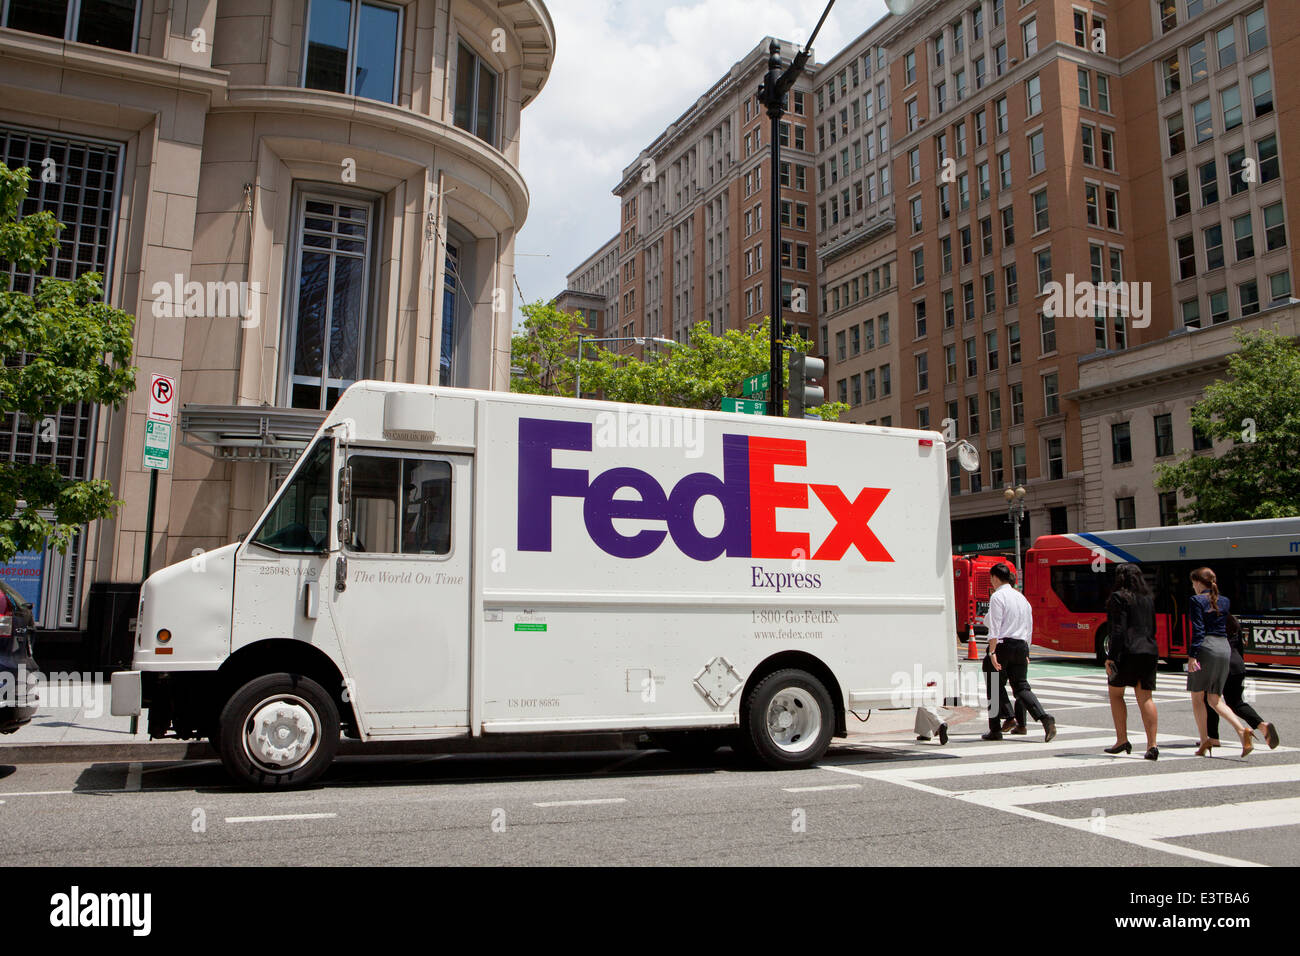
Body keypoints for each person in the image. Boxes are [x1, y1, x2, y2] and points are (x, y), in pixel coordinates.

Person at [982, 562, 1056, 742]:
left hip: (1002, 645)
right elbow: (1029, 626)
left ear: (995, 578)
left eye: (991, 578)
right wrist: (1027, 652)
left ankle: (996, 729)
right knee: (1021, 686)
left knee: (993, 683)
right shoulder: (1022, 598)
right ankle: (1044, 718)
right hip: (1021, 645)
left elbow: (994, 627)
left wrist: (992, 652)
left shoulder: (998, 596)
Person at [1187, 567, 1252, 757]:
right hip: (1224, 647)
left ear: (1198, 582)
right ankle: (1242, 730)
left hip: (1206, 647)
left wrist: (1192, 655)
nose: (1193, 586)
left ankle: (1204, 740)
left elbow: (1198, 630)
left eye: (1193, 583)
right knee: (1214, 698)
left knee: (1197, 697)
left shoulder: (1196, 600)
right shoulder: (1224, 600)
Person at [1103, 563, 1160, 760]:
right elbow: (1153, 627)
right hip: (1149, 650)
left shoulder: (1118, 597)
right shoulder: (1148, 598)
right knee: (1146, 698)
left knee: (1116, 694)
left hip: (1127, 652)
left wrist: (1111, 657)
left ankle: (1122, 739)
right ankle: (1152, 745)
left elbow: (1118, 631)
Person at [1205, 613, 1281, 750]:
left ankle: (1213, 738)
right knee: (1236, 702)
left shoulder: (1210, 621)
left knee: (1210, 701)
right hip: (1237, 665)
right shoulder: (1232, 620)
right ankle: (1262, 725)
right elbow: (1240, 646)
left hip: (1220, 665)